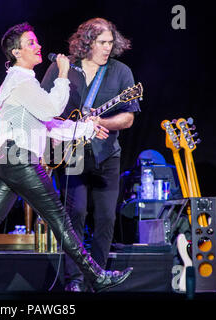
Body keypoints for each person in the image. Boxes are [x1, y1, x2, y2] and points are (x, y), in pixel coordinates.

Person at [0, 22, 132, 293]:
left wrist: (87, 129)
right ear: (16, 52)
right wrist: (63, 74)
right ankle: (96, 276)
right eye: (31, 43)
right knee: (59, 219)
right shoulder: (20, 81)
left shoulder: (26, 82)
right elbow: (52, 108)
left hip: (8, 159)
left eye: (37, 42)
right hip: (20, 159)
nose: (38, 46)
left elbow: (49, 124)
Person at [41, 18, 141, 292]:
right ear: (87, 42)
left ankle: (97, 279)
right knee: (76, 212)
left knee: (107, 217)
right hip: (71, 154)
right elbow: (43, 108)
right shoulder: (62, 68)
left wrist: (102, 123)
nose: (108, 48)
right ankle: (74, 280)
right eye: (102, 43)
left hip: (107, 154)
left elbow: (128, 118)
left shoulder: (121, 72)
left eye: (111, 42)